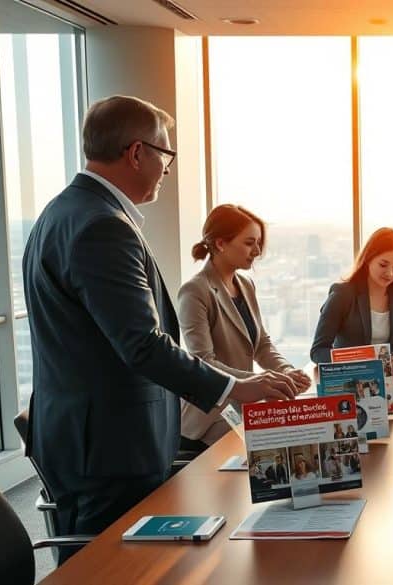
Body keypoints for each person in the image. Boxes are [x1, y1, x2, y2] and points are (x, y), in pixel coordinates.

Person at [21, 95, 296, 555]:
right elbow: (143, 345)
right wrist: (236, 387)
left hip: (85, 437)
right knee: (110, 568)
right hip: (109, 448)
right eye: (166, 155)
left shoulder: (61, 213)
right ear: (136, 153)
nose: (168, 169)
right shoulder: (102, 226)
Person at [178, 204, 312, 448]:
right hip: (208, 419)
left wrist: (286, 371)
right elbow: (203, 362)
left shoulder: (246, 284)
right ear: (220, 243)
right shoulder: (195, 291)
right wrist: (260, 383)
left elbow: (261, 344)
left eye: (259, 243)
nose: (257, 251)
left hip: (240, 410)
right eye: (250, 243)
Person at [311, 227, 393, 368]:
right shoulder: (342, 294)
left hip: (391, 381)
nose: (390, 273)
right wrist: (355, 362)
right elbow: (318, 351)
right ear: (368, 259)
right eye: (383, 265)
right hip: (350, 379)